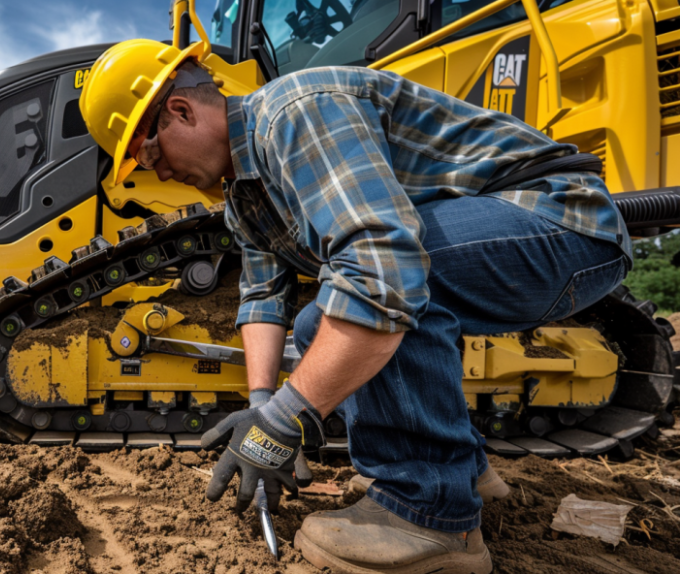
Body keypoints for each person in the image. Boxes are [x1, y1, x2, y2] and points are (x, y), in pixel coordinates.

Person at [79, 39, 632, 574]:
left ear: (179, 111)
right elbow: (263, 300)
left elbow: (383, 270)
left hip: (558, 220)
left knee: (356, 296)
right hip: (511, 238)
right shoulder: (246, 198)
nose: (156, 173)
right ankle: (464, 473)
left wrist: (284, 422)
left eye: (146, 153)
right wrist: (261, 404)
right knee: (325, 313)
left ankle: (430, 512)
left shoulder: (294, 113)